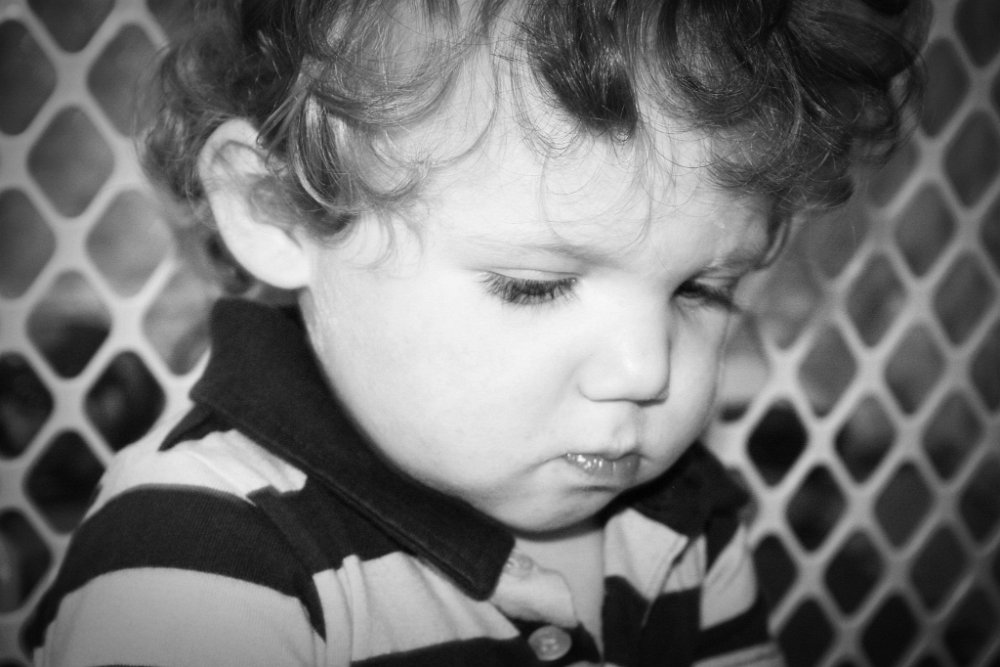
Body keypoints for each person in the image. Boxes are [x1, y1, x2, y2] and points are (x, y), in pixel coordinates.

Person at [26, 0, 922, 664]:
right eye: (536, 286)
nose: (645, 370)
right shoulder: (198, 550)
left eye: (702, 289)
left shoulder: (680, 520)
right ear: (276, 211)